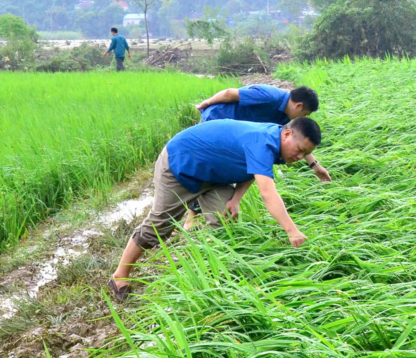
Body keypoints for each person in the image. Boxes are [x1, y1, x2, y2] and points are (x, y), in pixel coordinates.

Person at [107, 116, 322, 302]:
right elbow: (268, 193)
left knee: (225, 219)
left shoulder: (278, 141)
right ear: (286, 134)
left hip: (214, 174)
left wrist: (236, 197)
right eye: (300, 151)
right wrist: (291, 230)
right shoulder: (263, 142)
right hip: (181, 164)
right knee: (159, 226)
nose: (300, 157)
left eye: (306, 154)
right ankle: (120, 275)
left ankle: (211, 276)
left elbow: (253, 168)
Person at [197, 84, 331, 182]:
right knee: (207, 164)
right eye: (305, 114)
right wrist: (206, 103)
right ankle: (192, 217)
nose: (304, 118)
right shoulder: (269, 96)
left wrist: (315, 166)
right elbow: (229, 93)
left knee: (223, 169)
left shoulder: (286, 117)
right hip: (214, 119)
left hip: (234, 133)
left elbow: (299, 143)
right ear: (298, 106)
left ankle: (195, 213)